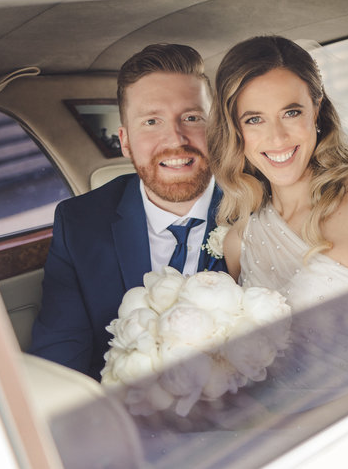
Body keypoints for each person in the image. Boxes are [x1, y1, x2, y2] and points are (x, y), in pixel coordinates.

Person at [206, 35, 348, 413]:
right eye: (254, 119)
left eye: (291, 113)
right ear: (236, 131)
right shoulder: (239, 240)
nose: (277, 138)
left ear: (316, 110)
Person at [30, 43, 227, 381]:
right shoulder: (80, 224)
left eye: (192, 118)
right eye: (151, 121)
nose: (175, 138)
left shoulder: (257, 206)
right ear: (124, 141)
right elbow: (60, 366)